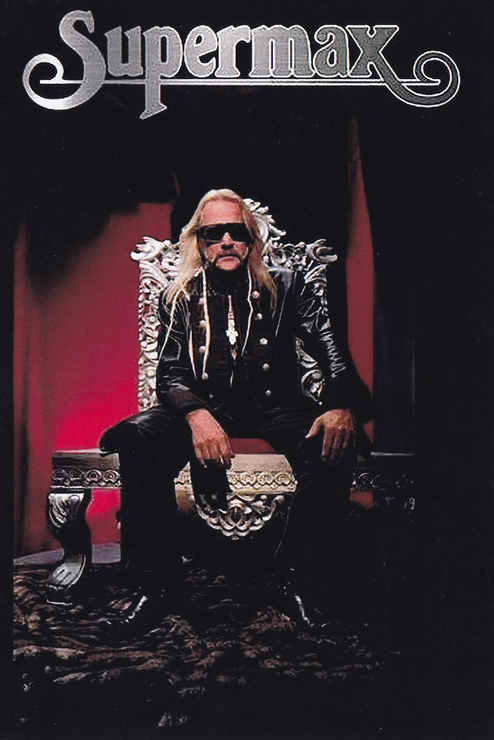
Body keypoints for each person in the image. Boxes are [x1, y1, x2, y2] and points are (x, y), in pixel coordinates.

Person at [100, 188, 372, 639]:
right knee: (139, 439)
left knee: (332, 443)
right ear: (199, 242)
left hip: (274, 406)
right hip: (200, 405)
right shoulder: (178, 295)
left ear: (251, 239)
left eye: (236, 232)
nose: (226, 241)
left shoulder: (287, 284)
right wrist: (197, 415)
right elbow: (169, 374)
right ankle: (157, 585)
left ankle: (297, 582)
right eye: (214, 234)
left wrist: (341, 404)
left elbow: (330, 347)